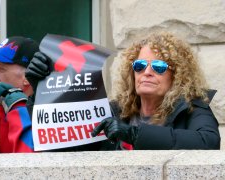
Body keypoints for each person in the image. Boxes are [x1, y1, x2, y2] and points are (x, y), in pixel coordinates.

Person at [91, 31, 220, 150]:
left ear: (177, 75)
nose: (147, 72)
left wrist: (135, 134)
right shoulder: (114, 111)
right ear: (132, 72)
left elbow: (209, 142)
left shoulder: (192, 109)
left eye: (158, 67)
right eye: (139, 65)